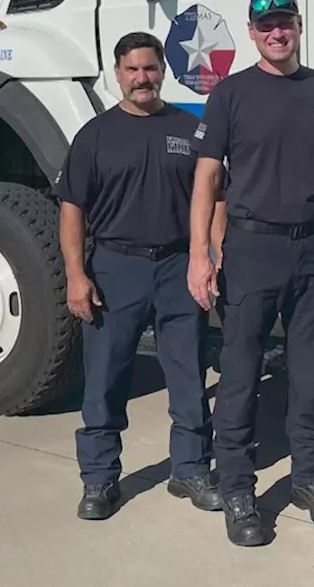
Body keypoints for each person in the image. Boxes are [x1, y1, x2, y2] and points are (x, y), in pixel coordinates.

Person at [187, 0, 314, 547]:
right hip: (252, 248)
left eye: (285, 21)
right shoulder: (231, 95)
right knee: (240, 375)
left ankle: (312, 477)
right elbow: (207, 180)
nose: (277, 32)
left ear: (299, 25)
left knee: (312, 375)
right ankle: (238, 487)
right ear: (252, 32)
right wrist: (201, 253)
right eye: (266, 25)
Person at [54, 31, 221, 521]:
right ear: (117, 73)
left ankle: (189, 468)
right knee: (105, 378)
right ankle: (100, 479)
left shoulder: (190, 130)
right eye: (132, 70)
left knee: (188, 372)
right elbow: (72, 209)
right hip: (115, 268)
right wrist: (76, 275)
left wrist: (213, 255)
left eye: (150, 68)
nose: (141, 78)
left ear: (163, 70)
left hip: (178, 267)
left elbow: (214, 198)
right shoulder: (96, 135)